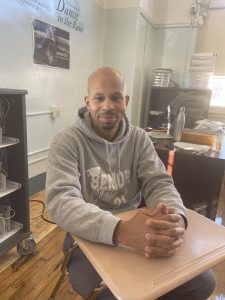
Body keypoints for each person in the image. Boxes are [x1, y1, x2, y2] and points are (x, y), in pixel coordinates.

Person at [46, 67, 215, 299]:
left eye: (116, 97)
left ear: (125, 100)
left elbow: (159, 182)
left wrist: (176, 218)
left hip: (138, 234)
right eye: (99, 98)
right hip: (85, 238)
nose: (108, 105)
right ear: (87, 102)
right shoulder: (66, 141)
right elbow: (60, 202)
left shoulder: (139, 138)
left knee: (202, 282)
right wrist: (120, 230)